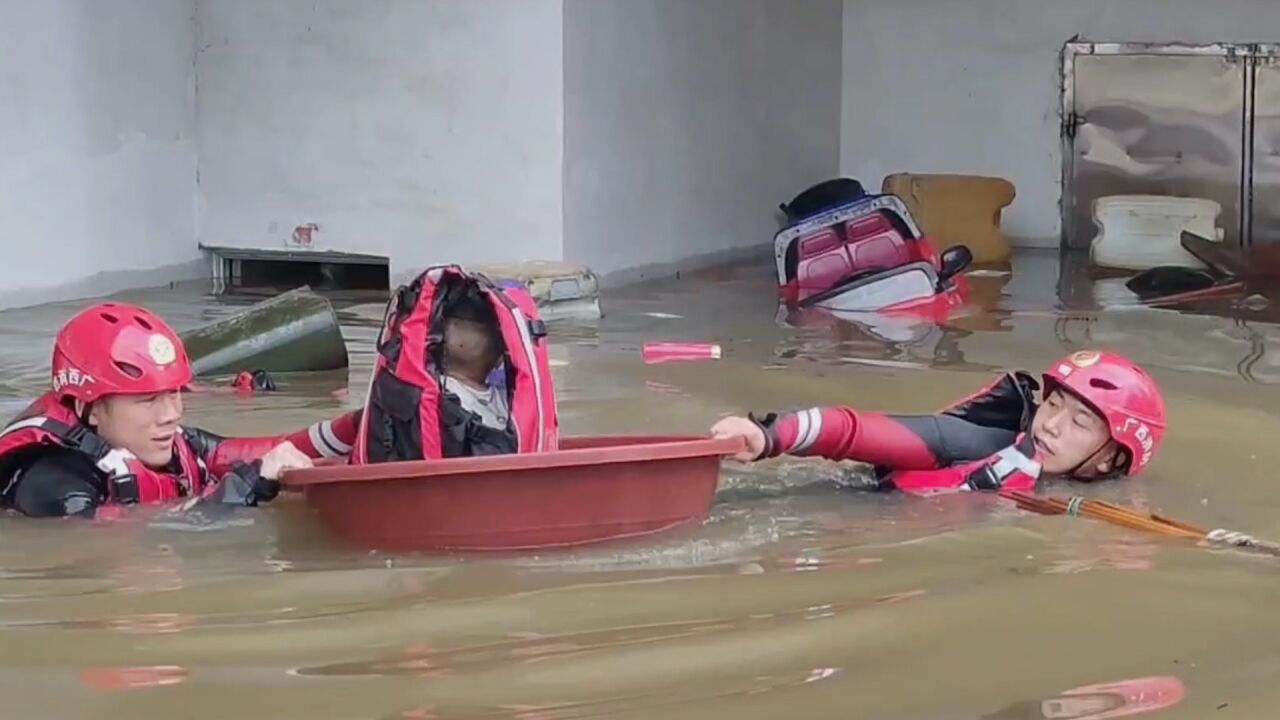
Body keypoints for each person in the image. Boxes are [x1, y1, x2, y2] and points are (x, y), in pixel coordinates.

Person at [0, 301, 361, 518]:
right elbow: (138, 543)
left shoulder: (168, 442)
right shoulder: (54, 483)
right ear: (89, 409)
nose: (170, 414)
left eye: (174, 394)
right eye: (147, 400)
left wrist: (355, 426)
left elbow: (260, 451)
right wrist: (250, 484)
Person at [710, 349, 1166, 494]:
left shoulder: (1102, 498)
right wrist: (768, 436)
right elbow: (850, 431)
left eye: (1080, 422)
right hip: (838, 513)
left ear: (1111, 460)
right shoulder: (975, 441)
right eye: (1053, 406)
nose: (1050, 425)